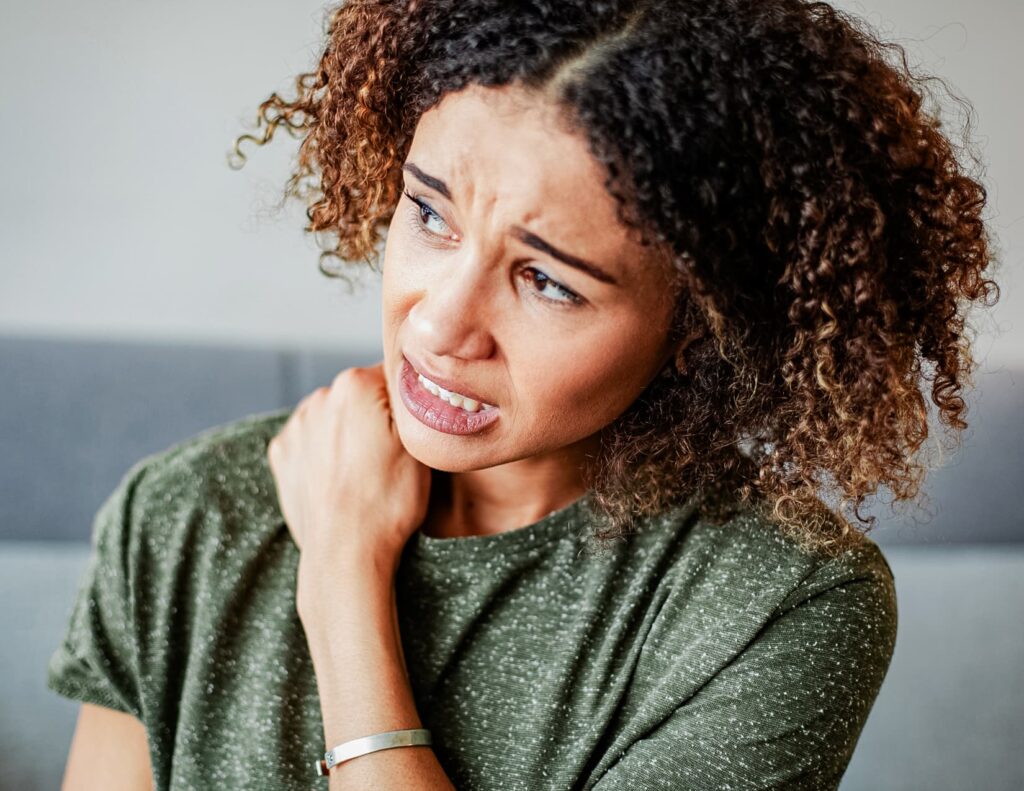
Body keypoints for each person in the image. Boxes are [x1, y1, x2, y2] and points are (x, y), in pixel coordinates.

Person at [48, 0, 999, 789]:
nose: (436, 326)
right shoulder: (181, 515)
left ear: (700, 333)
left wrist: (342, 572)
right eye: (429, 214)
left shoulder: (778, 603)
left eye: (547, 280)